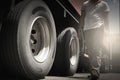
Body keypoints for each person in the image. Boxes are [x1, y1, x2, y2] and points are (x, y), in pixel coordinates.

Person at [80, 0, 110, 80]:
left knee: (97, 48)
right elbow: (82, 17)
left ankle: (95, 71)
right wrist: (80, 28)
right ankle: (93, 71)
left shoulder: (104, 4)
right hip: (87, 29)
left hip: (99, 28)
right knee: (90, 50)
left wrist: (107, 31)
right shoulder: (85, 4)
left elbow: (106, 19)